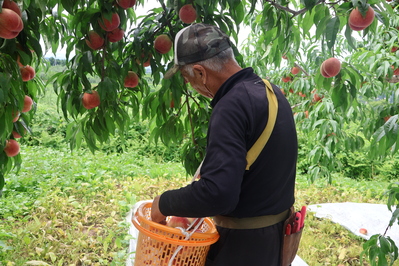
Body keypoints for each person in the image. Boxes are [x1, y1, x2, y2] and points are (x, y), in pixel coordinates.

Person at [151, 23, 298, 266]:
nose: (190, 85)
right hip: (272, 242)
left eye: (187, 78)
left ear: (200, 72)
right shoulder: (271, 92)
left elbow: (218, 194)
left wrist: (163, 203)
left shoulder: (231, 106)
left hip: (241, 250)